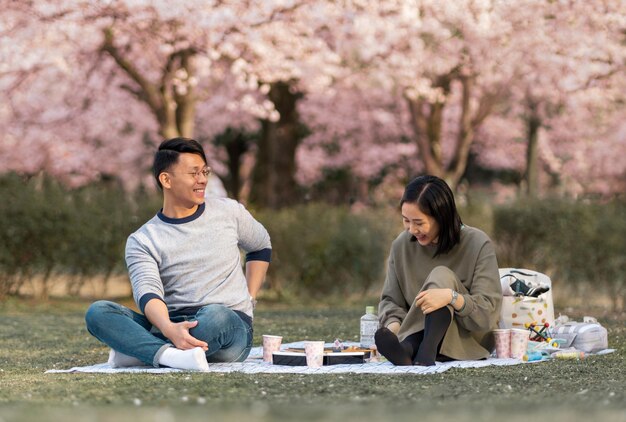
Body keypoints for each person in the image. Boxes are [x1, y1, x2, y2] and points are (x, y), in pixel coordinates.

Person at [85, 137, 271, 371]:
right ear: (166, 179)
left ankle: (142, 351)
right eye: (194, 173)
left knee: (216, 316)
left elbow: (261, 245)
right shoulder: (143, 239)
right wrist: (169, 328)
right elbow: (148, 292)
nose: (202, 180)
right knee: (99, 312)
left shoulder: (229, 212)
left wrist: (250, 296)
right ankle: (170, 355)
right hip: (169, 323)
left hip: (228, 328)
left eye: (205, 171)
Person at [375, 175, 501, 366]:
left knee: (440, 275)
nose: (411, 230)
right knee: (407, 332)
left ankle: (419, 349)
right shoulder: (401, 246)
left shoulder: (478, 243)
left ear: (442, 217)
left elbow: (487, 313)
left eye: (418, 222)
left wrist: (452, 298)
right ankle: (411, 350)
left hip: (470, 338)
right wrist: (393, 329)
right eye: (406, 221)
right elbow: (391, 300)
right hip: (416, 331)